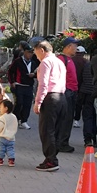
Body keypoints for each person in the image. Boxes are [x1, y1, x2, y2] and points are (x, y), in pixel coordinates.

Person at [32, 40, 67, 172]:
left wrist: (38, 102)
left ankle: (51, 160)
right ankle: (52, 157)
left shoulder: (46, 62)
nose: (36, 57)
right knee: (57, 129)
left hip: (50, 97)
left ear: (42, 50)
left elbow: (43, 84)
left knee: (47, 130)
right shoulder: (60, 62)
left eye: (36, 53)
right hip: (61, 96)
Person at [56, 37, 80, 153]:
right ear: (68, 46)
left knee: (68, 118)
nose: (76, 49)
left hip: (71, 92)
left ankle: (62, 141)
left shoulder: (69, 60)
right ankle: (61, 142)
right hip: (66, 92)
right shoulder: (62, 59)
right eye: (75, 46)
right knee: (65, 118)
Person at [8, 45, 36, 130]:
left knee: (27, 104)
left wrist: (34, 75)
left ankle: (24, 121)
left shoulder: (33, 62)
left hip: (29, 86)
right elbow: (10, 71)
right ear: (24, 52)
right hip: (19, 85)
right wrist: (12, 82)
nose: (30, 54)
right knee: (19, 103)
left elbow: (38, 72)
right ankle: (16, 119)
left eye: (31, 53)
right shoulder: (18, 61)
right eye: (28, 52)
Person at [73, 45, 95, 145]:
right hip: (96, 93)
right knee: (96, 117)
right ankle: (96, 138)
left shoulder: (87, 64)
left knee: (87, 115)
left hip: (83, 91)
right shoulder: (85, 62)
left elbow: (81, 78)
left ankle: (87, 139)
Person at [0, 98, 18, 167]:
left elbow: (0, 127)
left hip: (3, 137)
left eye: (1, 107)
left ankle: (0, 160)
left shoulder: (2, 117)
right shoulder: (14, 117)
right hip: (11, 137)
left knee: (1, 149)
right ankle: (11, 161)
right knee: (10, 149)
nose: (0, 109)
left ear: (6, 108)